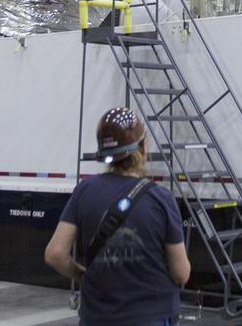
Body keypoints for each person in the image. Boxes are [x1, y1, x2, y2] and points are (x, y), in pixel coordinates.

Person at [45, 107, 190, 326]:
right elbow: (181, 273)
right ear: (142, 147)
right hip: (149, 317)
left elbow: (55, 254)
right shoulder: (161, 198)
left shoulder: (84, 190)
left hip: (96, 317)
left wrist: (83, 276)